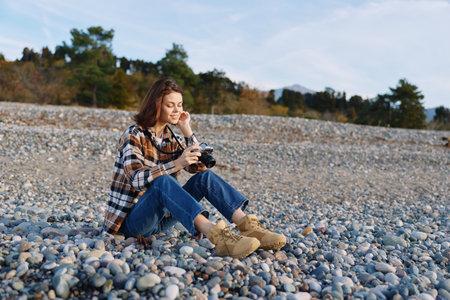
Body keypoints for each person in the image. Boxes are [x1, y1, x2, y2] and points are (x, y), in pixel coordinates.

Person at [103, 78, 286, 258]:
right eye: (170, 105)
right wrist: (176, 164)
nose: (177, 110)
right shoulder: (134, 133)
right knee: (163, 181)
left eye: (180, 104)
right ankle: (218, 237)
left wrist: (187, 131)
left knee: (204, 177)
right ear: (155, 105)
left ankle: (250, 228)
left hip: (162, 220)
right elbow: (136, 179)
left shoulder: (169, 136)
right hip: (132, 223)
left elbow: (199, 167)